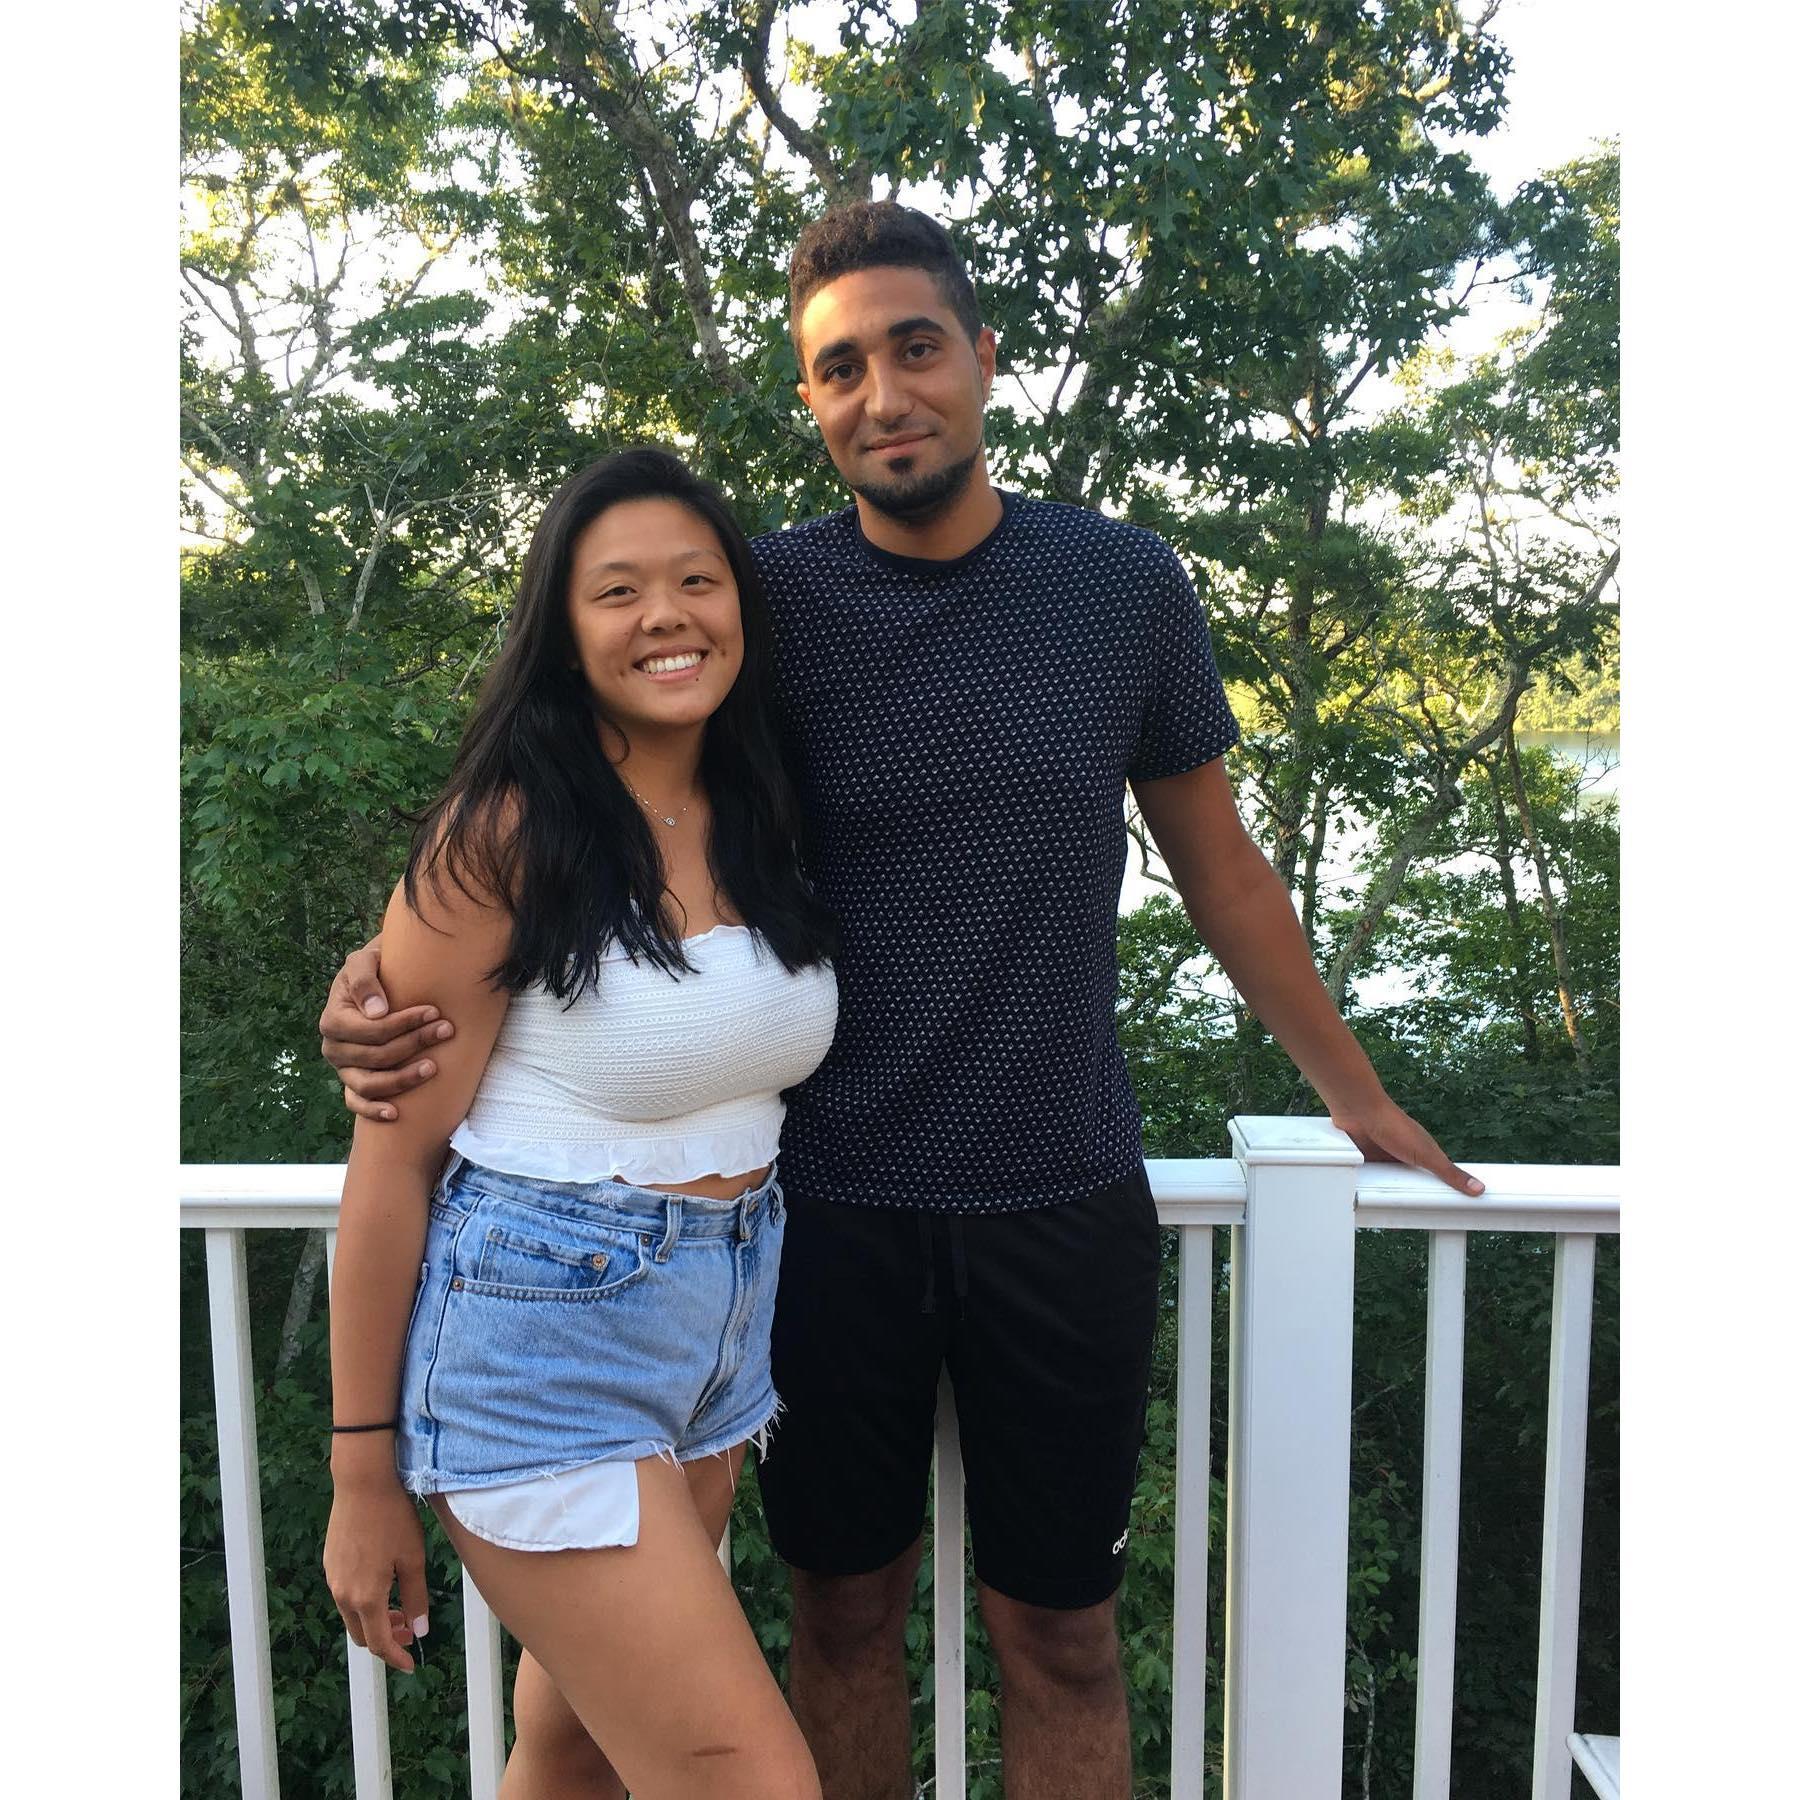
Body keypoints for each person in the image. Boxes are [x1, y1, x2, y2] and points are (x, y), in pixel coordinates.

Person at [320, 203, 1484, 1800]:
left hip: (1059, 1191)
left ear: (985, 359)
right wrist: (378, 985)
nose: (885, 394)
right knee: (842, 1617)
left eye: (916, 348)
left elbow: (1223, 872)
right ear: (812, 399)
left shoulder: (1121, 586)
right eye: (840, 368)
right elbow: (578, 792)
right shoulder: (762, 604)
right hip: (821, 1215)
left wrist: (1352, 1088)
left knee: (1064, 1636)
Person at [321, 446, 836, 1800]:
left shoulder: (758, 810)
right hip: (541, 1350)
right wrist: (363, 1475)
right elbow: (392, 1165)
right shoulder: (507, 833)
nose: (666, 614)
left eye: (697, 581)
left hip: (719, 1339)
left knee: (572, 1757)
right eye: (618, 591)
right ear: (563, 630)